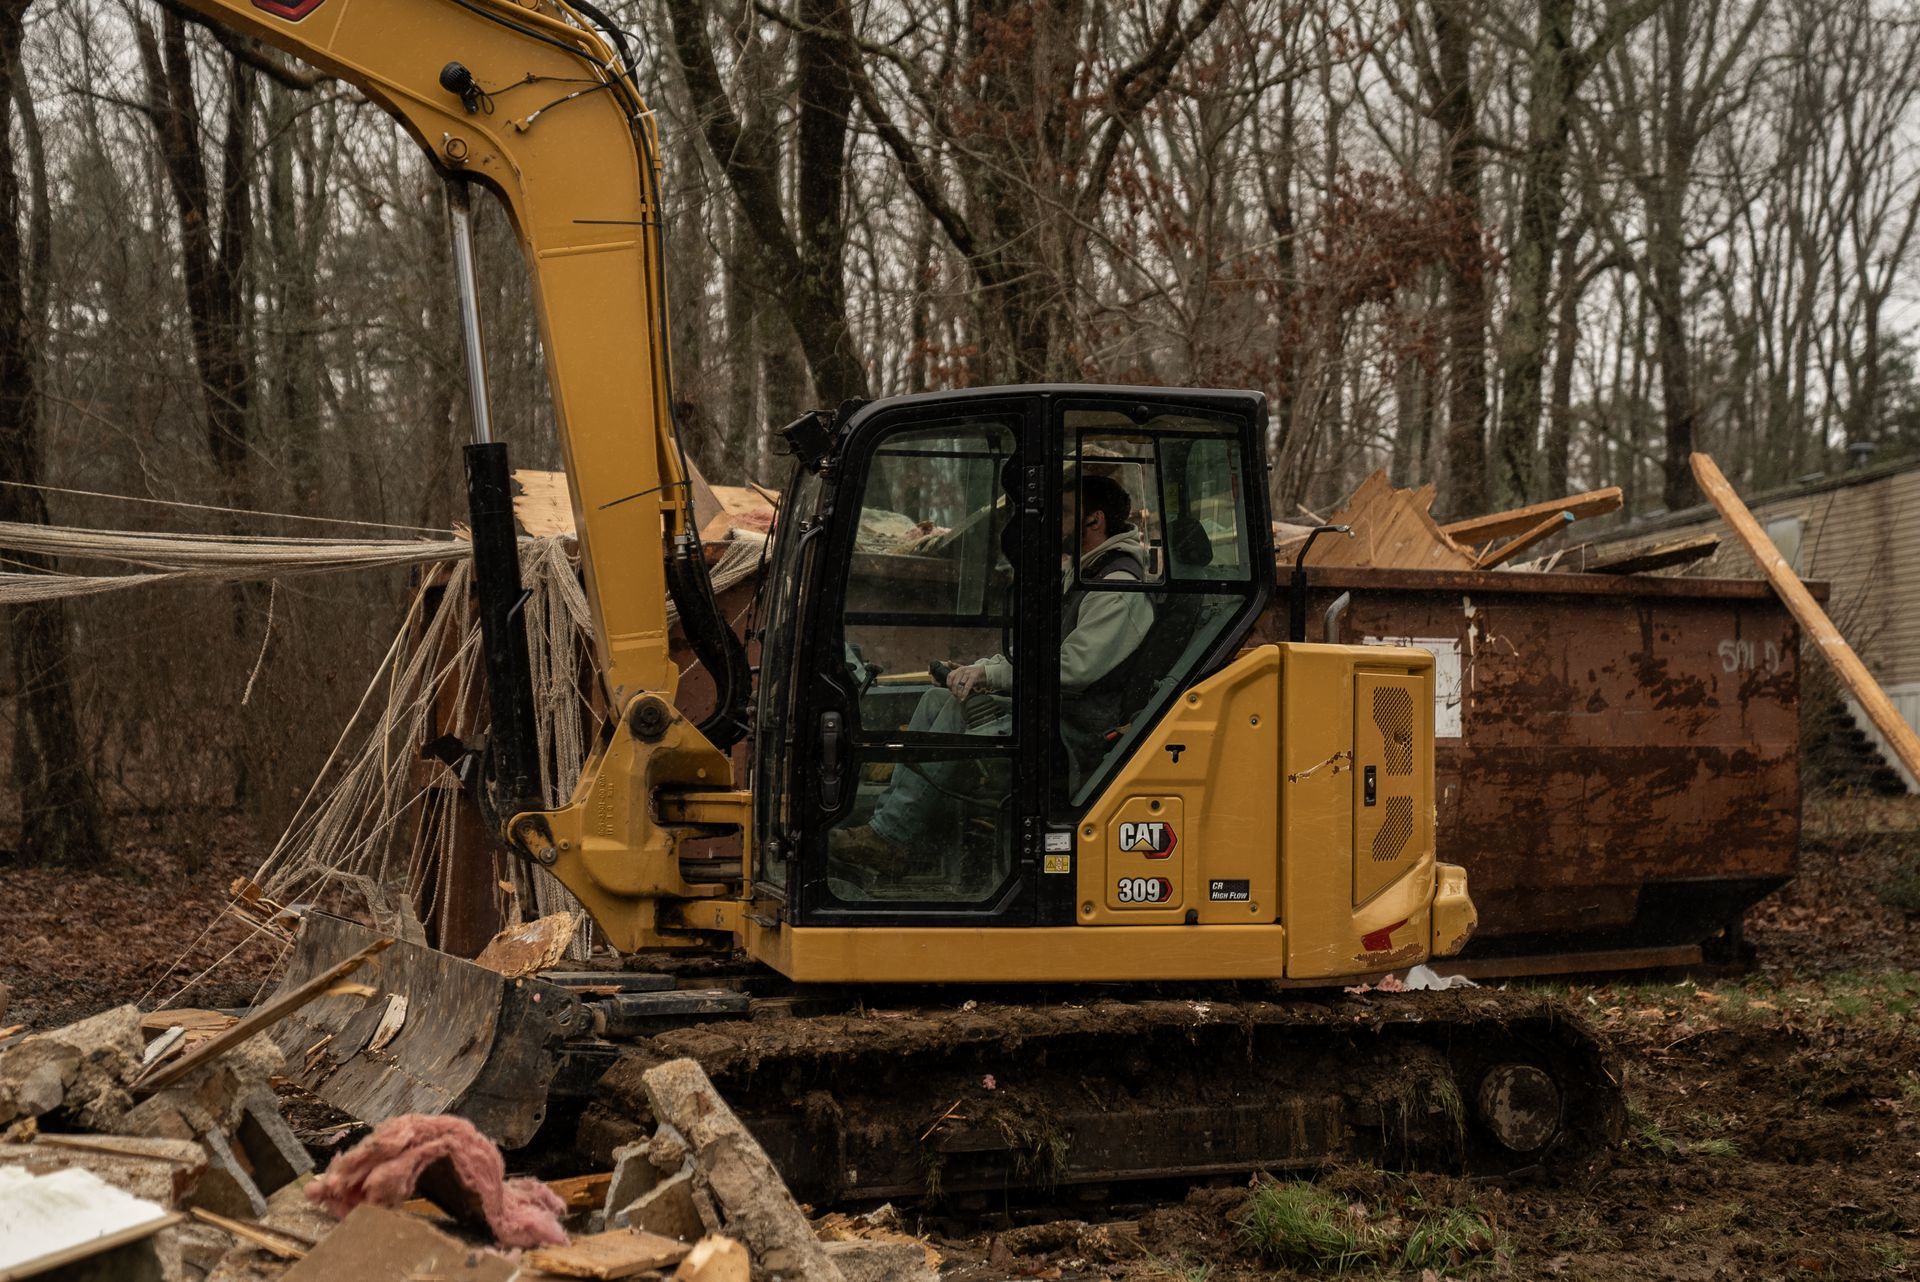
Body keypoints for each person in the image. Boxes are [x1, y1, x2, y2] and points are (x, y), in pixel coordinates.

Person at [837, 474, 1153, 867]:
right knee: (938, 699)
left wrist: (993, 677)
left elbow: (1074, 667)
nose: (1053, 522)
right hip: (1054, 708)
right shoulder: (1085, 574)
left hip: (1075, 726)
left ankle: (893, 838)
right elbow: (1042, 652)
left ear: (1095, 522)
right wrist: (979, 668)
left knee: (957, 710)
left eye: (1065, 513)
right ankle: (892, 829)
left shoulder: (1117, 586)